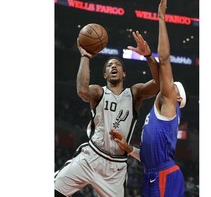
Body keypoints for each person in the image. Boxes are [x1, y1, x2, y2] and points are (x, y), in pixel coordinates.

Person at [54, 27, 160, 196]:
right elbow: (82, 91)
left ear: (124, 73)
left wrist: (148, 56)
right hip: (91, 157)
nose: (113, 66)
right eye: (109, 65)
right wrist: (85, 57)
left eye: (117, 64)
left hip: (115, 168)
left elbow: (160, 83)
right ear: (105, 74)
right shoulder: (99, 92)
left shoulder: (134, 93)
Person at [110, 0, 187, 197]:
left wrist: (161, 18)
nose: (170, 87)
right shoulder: (157, 111)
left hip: (165, 175)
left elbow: (165, 61)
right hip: (151, 174)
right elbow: (146, 157)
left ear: (178, 98)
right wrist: (127, 148)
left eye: (174, 87)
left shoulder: (170, 105)